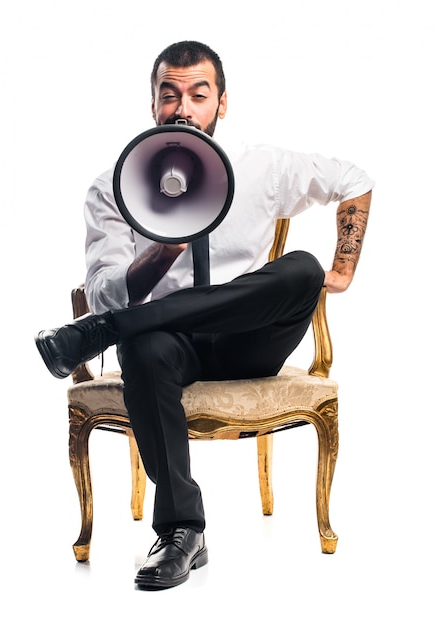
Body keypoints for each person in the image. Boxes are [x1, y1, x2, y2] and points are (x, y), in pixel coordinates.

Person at [35, 40, 373, 590]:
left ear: (222, 102)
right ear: (153, 105)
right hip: (171, 347)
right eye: (170, 95)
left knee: (302, 268)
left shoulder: (261, 167)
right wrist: (164, 247)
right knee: (142, 344)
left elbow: (354, 177)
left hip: (251, 342)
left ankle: (101, 338)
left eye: (199, 93)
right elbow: (103, 292)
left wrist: (342, 269)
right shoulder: (113, 188)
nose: (184, 107)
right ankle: (182, 532)